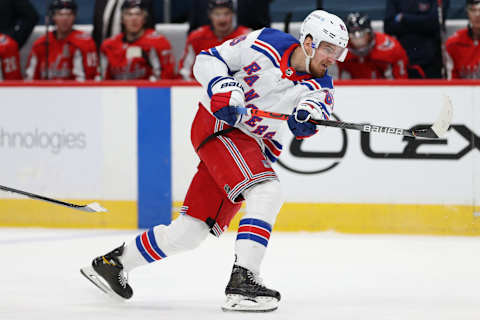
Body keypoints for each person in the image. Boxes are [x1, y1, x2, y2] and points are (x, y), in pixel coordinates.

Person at [81, 9, 348, 312]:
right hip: (217, 128)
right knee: (266, 191)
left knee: (189, 233)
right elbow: (207, 59)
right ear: (309, 41)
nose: (333, 58)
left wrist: (307, 120)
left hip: (249, 147)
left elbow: (314, 111)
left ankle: (113, 263)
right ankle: (244, 282)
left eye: (338, 51)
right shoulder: (267, 41)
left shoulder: (321, 88)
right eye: (328, 48)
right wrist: (221, 85)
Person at [100, 0, 174, 80]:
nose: (134, 19)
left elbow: (167, 79)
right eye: (129, 14)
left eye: (138, 14)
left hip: (148, 91)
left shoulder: (158, 42)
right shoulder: (109, 46)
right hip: (118, 91)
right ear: (122, 19)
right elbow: (104, 81)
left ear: (144, 19)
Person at [25, 0, 98, 81]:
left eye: (69, 14)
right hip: (45, 91)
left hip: (74, 92)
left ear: (74, 17)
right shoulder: (41, 44)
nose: (65, 19)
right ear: (53, 17)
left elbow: (86, 80)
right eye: (60, 14)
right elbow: (31, 79)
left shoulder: (85, 43)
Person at [179, 0, 250, 81]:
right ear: (210, 15)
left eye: (226, 14)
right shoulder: (196, 37)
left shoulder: (246, 38)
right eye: (217, 14)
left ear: (233, 15)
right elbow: (185, 72)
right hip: (199, 88)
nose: (222, 19)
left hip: (237, 87)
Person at [384, 0, 450, 78]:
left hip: (431, 60)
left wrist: (404, 18)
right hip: (404, 60)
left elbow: (435, 23)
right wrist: (422, 22)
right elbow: (388, 26)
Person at [338, 12, 409, 79]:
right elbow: (334, 80)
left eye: (362, 34)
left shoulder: (389, 47)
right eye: (353, 35)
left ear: (370, 34)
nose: (358, 40)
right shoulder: (338, 50)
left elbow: (401, 82)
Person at [446, 0, 480, 79]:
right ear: (467, 13)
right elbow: (450, 82)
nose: (477, 14)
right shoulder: (454, 43)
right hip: (461, 90)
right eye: (473, 10)